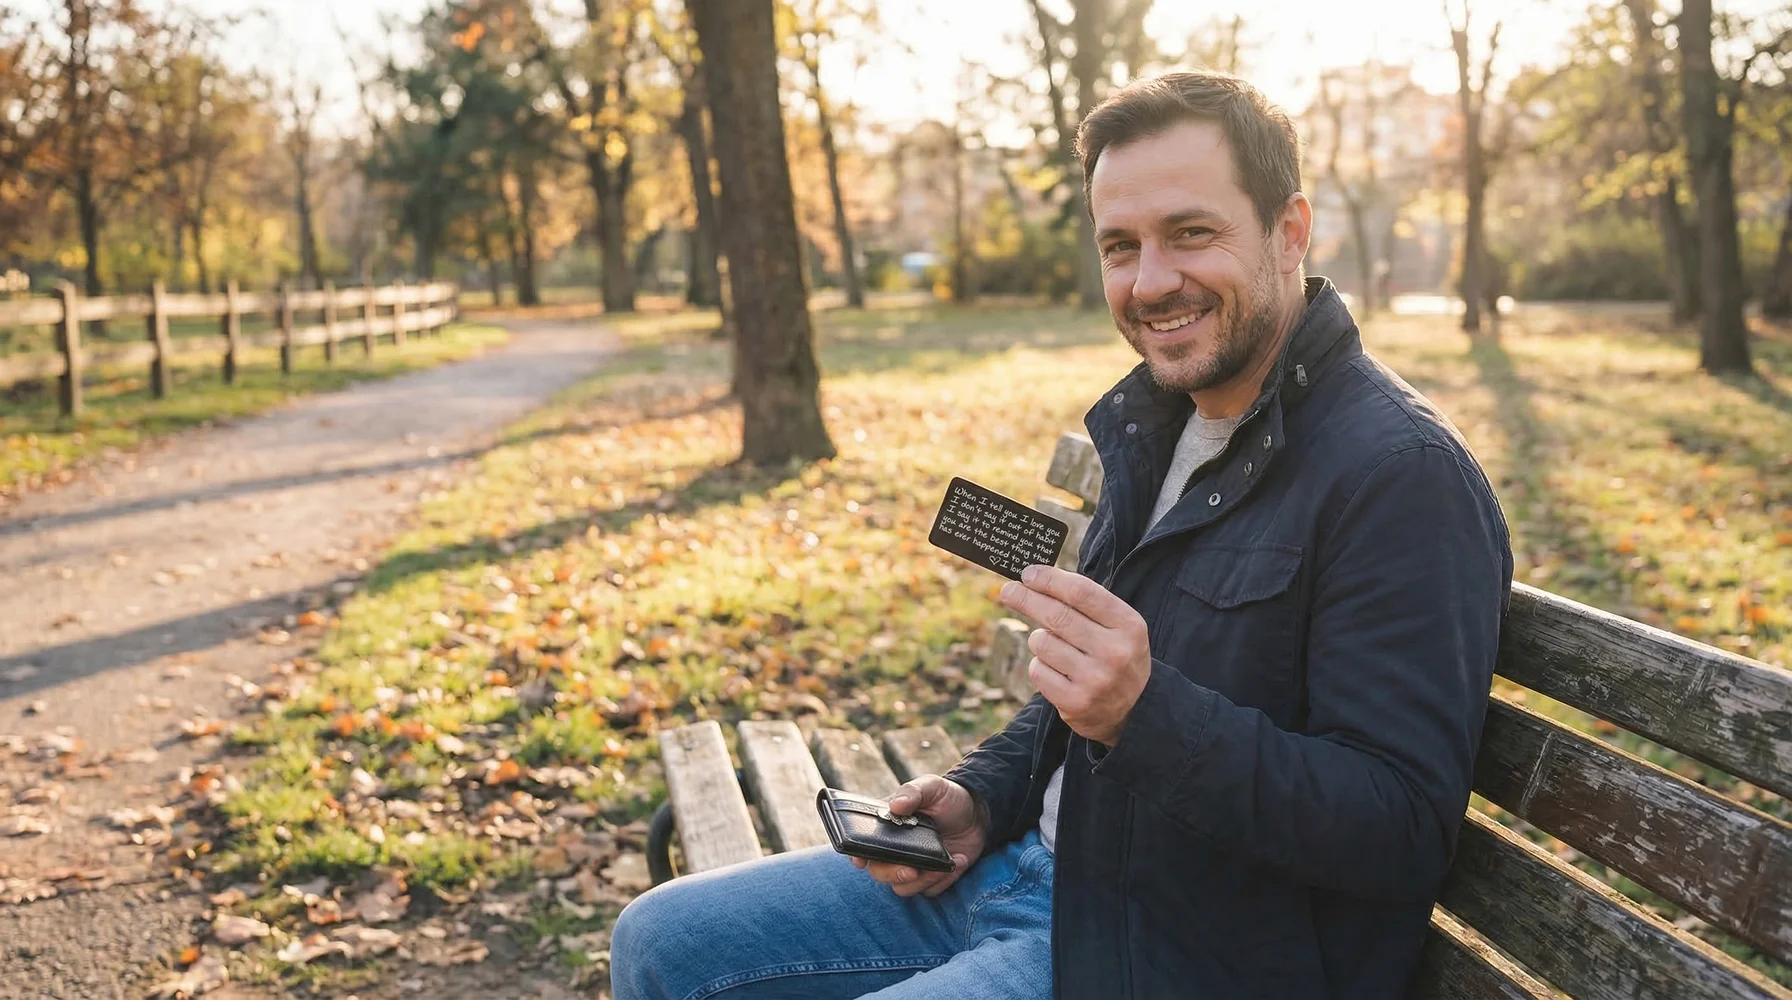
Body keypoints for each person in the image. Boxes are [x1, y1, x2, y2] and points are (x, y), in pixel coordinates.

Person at [609, 70, 1513, 1000]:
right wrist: (982, 796)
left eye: (1191, 232)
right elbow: (1084, 700)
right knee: (661, 941)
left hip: (1173, 950)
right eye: (1120, 246)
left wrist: (1146, 712)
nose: (1151, 281)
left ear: (1289, 232)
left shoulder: (1400, 477)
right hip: (1031, 871)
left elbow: (1399, 830)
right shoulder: (1163, 424)